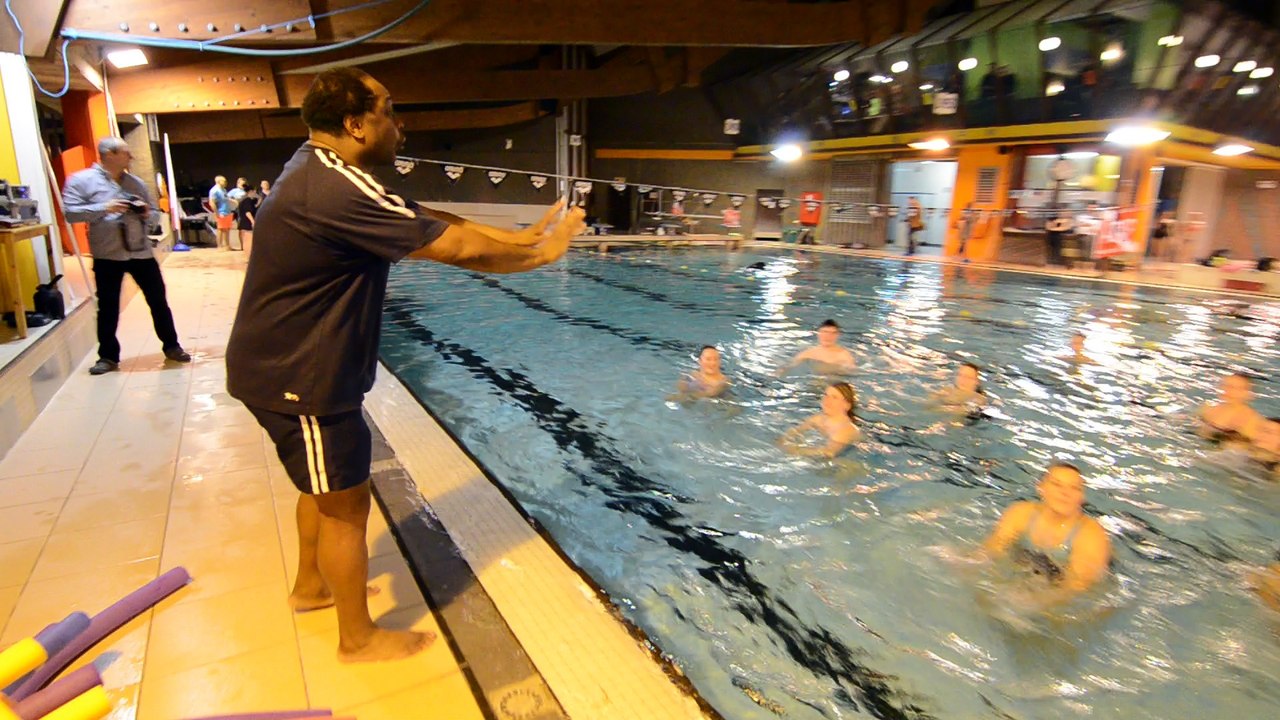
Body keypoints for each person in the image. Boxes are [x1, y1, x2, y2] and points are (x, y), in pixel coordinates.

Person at [225, 67, 585, 663]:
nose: (400, 123)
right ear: (356, 123)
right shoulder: (335, 189)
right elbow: (459, 248)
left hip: (281, 368)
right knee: (347, 504)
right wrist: (546, 254)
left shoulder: (324, 170)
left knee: (320, 484)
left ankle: (312, 586)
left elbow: (431, 220)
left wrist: (523, 236)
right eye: (390, 110)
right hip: (302, 377)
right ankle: (356, 638)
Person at [62, 137, 191, 376]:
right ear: (109, 154)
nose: (131, 158)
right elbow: (70, 213)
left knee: (158, 302)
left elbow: (154, 213)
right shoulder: (81, 181)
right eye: (126, 153)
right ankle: (108, 357)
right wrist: (105, 208)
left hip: (140, 252)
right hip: (107, 254)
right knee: (108, 307)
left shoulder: (135, 183)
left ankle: (172, 346)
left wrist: (145, 213)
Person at [982, 463, 1112, 597]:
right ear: (1040, 488)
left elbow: (1076, 588)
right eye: (1057, 485)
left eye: (1074, 488)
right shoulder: (1021, 513)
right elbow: (992, 549)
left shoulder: (1091, 535)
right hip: (1032, 566)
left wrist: (1025, 605)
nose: (1065, 493)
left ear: (1082, 497)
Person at [778, 382, 861, 458]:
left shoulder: (847, 429)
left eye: (834, 397)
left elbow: (829, 453)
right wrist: (784, 439)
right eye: (826, 395)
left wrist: (796, 450)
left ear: (847, 405)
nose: (827, 400)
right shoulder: (818, 419)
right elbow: (796, 431)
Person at [1200, 373, 1265, 444]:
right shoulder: (1208, 407)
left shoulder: (1253, 420)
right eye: (1225, 385)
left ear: (1249, 394)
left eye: (1236, 388)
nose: (1227, 390)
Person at [778, 319, 856, 375]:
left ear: (837, 335)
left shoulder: (844, 355)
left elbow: (852, 372)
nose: (828, 336)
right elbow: (790, 365)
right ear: (819, 333)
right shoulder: (809, 353)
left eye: (832, 333)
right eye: (825, 332)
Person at [206, 175, 234, 250]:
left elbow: (226, 199)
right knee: (220, 229)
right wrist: (217, 213)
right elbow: (212, 202)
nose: (225, 182)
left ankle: (227, 245)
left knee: (227, 229)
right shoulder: (214, 190)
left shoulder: (224, 190)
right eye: (224, 181)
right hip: (221, 212)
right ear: (218, 181)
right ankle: (220, 246)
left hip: (227, 211)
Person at [235, 186, 259, 253]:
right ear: (250, 191)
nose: (255, 193)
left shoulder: (246, 200)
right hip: (246, 224)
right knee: (247, 244)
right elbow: (247, 212)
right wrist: (253, 221)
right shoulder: (247, 201)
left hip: (244, 223)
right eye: (254, 191)